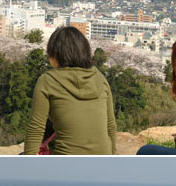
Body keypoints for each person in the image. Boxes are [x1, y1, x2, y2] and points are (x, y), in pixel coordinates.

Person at [24, 27, 117, 155]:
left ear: (55, 54)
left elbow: (36, 128)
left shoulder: (47, 81)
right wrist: (113, 159)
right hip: (103, 161)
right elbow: (110, 125)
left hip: (65, 164)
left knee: (23, 156)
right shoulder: (100, 78)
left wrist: (28, 166)